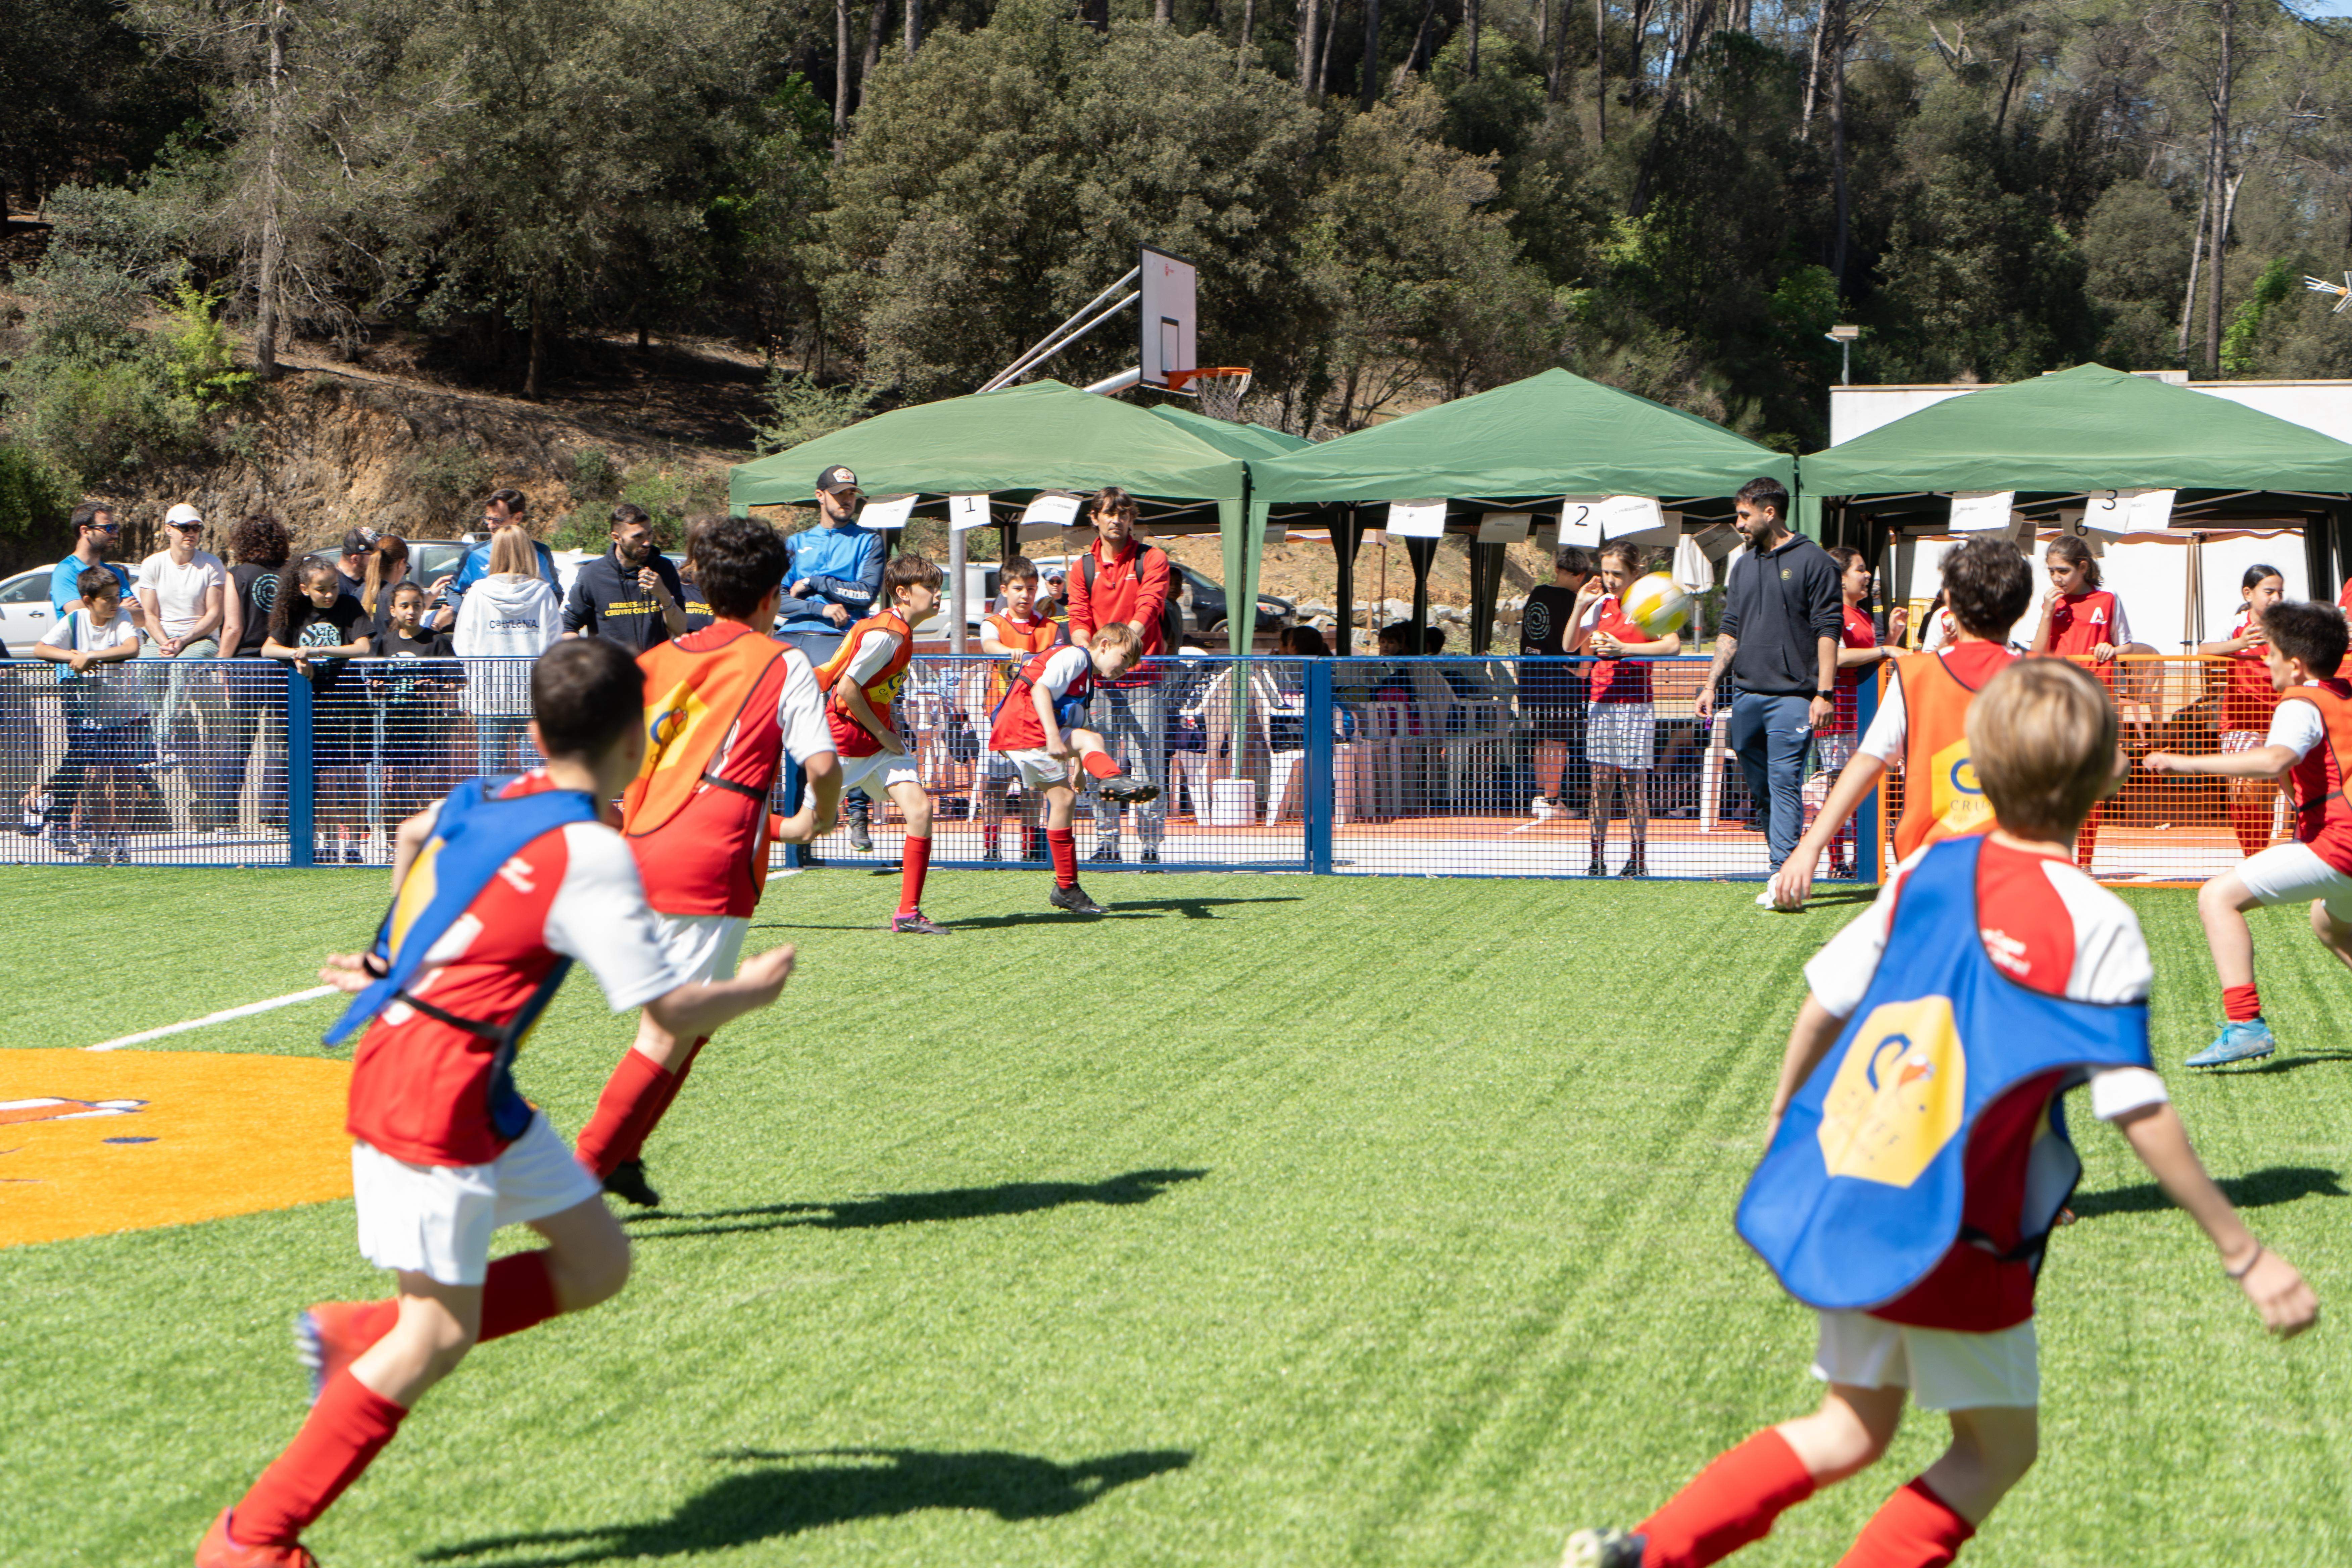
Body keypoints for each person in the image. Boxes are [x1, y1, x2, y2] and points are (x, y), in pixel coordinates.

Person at [1562, 658, 2319, 1568]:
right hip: (1963, 1220)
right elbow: (2135, 1103)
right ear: (2108, 776)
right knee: (1998, 1450)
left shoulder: (1929, 867)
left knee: (1848, 1429)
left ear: (1977, 768)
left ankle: (1647, 1553)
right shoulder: (2095, 920)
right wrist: (2243, 1250)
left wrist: (1780, 1118)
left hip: (1863, 1175)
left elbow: (1824, 1002)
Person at [192, 639, 800, 1568]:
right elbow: (669, 1008)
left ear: (534, 730)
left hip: (473, 1081)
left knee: (598, 1263)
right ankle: (253, 1539)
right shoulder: (590, 852)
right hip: (434, 1089)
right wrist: (752, 992)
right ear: (641, 742)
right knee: (437, 1336)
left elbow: (410, 837)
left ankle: (357, 1330)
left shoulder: (492, 795)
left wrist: (391, 950)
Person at [570, 515, 842, 1209]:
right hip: (709, 854)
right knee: (672, 1022)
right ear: (774, 594)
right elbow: (821, 762)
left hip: (636, 843)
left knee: (693, 1018)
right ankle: (578, 1178)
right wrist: (824, 816)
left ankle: (624, 1153)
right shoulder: (782, 661)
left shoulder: (651, 660)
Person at [1769, 538, 2032, 911]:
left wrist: (1809, 847)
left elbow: (1868, 762)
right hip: (2019, 869)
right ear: (2022, 605)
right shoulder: (2046, 676)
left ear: (1949, 600)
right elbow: (2104, 768)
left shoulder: (1915, 675)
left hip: (1928, 869)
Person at [2145, 599, 2352, 1068]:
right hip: (2343, 843)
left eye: (2271, 653)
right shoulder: (2343, 691)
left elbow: (2276, 759)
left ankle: (2245, 1025)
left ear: (2295, 666)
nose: (2264, 659)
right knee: (2328, 923)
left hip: (2340, 845)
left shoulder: (2300, 701)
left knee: (2217, 897)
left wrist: (2184, 762)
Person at [1696, 478, 1843, 902]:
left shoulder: (1815, 561)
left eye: (1744, 515)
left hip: (1794, 698)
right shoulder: (1742, 565)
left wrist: (1824, 693)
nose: (1737, 523)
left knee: (1783, 782)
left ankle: (1781, 875)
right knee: (1761, 789)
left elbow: (1827, 630)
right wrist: (1711, 686)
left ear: (1769, 512)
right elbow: (1730, 630)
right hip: (1746, 696)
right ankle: (1783, 859)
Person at [816, 553, 952, 933]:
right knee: (804, 828)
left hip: (876, 746)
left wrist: (883, 733)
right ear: (903, 593)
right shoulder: (887, 635)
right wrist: (883, 732)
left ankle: (908, 913)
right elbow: (846, 688)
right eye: (931, 588)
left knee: (920, 810)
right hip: (845, 741)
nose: (938, 595)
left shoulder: (899, 630)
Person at [986, 622, 1156, 915]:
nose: (1125, 668)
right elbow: (1040, 690)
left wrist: (1078, 768)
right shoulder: (1075, 657)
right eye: (1125, 658)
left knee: (1066, 796)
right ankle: (1067, 886)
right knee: (1070, 786)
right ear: (1104, 645)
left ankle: (1067, 888)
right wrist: (1053, 736)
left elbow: (1079, 726)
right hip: (1026, 728)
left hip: (1031, 729)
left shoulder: (1087, 679)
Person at [1067, 487, 1174, 865]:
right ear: (1094, 517)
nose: (1117, 520)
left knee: (1148, 763)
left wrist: (1122, 650)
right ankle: (1107, 841)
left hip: (1145, 680)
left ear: (1132, 519)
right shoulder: (1082, 568)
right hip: (1099, 684)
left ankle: (1150, 846)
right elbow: (1078, 619)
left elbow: (1150, 607)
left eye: (1124, 514)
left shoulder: (1153, 558)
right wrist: (1090, 657)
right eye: (1109, 513)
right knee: (1102, 762)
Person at [28, 503, 139, 852]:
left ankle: (98, 831)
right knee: (83, 759)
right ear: (85, 530)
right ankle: (58, 818)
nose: (114, 533)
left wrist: (120, 611)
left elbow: (134, 614)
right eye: (108, 528)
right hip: (77, 685)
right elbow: (76, 614)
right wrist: (80, 655)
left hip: (118, 694)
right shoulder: (66, 572)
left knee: (115, 768)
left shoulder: (111, 574)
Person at [2030, 534, 2143, 872]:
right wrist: (2048, 613)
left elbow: (2127, 645)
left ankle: (2086, 862)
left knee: (2090, 783)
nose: (2056, 579)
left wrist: (2112, 650)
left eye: (2062, 571)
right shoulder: (2052, 604)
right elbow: (2036, 654)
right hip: (2057, 702)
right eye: (2051, 571)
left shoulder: (2107, 600)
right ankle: (2056, 856)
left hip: (2097, 702)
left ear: (2083, 567)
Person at [1569, 543, 1681, 878]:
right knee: (1600, 782)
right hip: (1601, 702)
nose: (1610, 580)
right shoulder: (1600, 604)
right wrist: (1579, 604)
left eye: (1618, 573)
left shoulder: (1648, 606)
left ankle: (1638, 858)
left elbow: (1673, 644)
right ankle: (1596, 857)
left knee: (1633, 783)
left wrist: (1625, 649)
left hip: (1635, 705)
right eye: (1606, 573)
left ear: (1636, 573)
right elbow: (1569, 645)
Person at [264, 558, 374, 864]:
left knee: (352, 775)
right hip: (311, 705)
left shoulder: (349, 606)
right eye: (321, 589)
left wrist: (320, 651)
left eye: (334, 587)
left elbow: (363, 647)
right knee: (321, 777)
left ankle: (352, 845)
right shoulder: (293, 611)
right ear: (304, 589)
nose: (329, 595)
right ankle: (325, 843)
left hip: (348, 703)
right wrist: (297, 656)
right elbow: (269, 649)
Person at [1813, 546, 1907, 880]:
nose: (1867, 576)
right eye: (1860, 570)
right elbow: (1835, 658)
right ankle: (1839, 862)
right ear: (1839, 579)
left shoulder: (1862, 614)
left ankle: (1864, 860)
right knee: (1841, 787)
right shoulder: (1833, 613)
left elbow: (1868, 656)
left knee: (1867, 786)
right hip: (1839, 713)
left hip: (1864, 712)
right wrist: (1886, 647)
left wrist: (1891, 636)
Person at [2195, 564, 2288, 862]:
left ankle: (2279, 855)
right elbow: (2203, 651)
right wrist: (2240, 644)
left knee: (2274, 788)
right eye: (2269, 591)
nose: (2275, 598)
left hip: (2283, 719)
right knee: (2245, 789)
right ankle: (2253, 857)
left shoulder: (2290, 625)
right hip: (2239, 722)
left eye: (2280, 592)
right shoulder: (2234, 624)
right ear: (2248, 594)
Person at [454, 527, 563, 779]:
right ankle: (537, 818)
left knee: (490, 770)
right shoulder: (544, 592)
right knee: (536, 770)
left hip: (489, 694)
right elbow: (555, 645)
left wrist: (477, 682)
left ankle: (488, 817)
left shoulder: (478, 592)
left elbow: (463, 644)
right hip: (533, 696)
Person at [978, 555, 1065, 862]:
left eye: (1031, 588)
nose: (1025, 595)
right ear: (1005, 590)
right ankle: (992, 849)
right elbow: (989, 645)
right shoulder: (994, 623)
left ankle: (1030, 848)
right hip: (999, 717)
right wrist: (1012, 654)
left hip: (1035, 719)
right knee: (996, 785)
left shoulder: (1051, 628)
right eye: (1018, 588)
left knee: (1033, 786)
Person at [136, 502, 229, 782]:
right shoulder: (153, 564)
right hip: (162, 637)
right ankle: (161, 741)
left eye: (196, 528)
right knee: (146, 666)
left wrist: (184, 640)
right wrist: (165, 642)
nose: (191, 533)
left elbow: (215, 615)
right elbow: (149, 615)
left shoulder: (212, 564)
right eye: (184, 528)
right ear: (169, 530)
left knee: (182, 667)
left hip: (200, 639)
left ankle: (160, 739)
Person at [367, 583, 460, 826]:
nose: (411, 612)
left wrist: (436, 690)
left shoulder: (437, 642)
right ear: (393, 610)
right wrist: (377, 688)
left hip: (430, 728)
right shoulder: (384, 643)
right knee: (393, 787)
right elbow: (375, 683)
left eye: (417, 606)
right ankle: (395, 843)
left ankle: (433, 841)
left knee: (427, 789)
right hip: (396, 725)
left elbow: (459, 683)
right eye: (404, 606)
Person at [1521, 546, 1599, 819]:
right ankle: (1552, 801)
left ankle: (1542, 796)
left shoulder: (1537, 594)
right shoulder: (1575, 601)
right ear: (1583, 575)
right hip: (1560, 678)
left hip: (1531, 676)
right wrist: (1584, 670)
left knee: (1542, 738)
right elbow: (1586, 635)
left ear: (1557, 568)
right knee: (1558, 741)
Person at [563, 502, 686, 652]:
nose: (647, 543)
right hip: (613, 673)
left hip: (657, 671)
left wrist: (663, 594)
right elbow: (569, 627)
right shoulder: (592, 575)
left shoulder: (664, 569)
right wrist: (588, 663)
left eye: (649, 534)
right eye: (638, 537)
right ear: (617, 538)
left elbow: (681, 629)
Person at [429, 490, 558, 631]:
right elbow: (454, 590)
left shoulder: (540, 553)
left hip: (527, 635)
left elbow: (555, 593)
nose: (490, 525)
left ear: (518, 518)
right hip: (487, 635)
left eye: (497, 520)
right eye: (488, 519)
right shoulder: (475, 554)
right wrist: (468, 617)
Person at [358, 534, 413, 641]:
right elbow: (408, 640)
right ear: (401, 563)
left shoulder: (358, 592)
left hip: (360, 657)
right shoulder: (396, 596)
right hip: (388, 657)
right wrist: (437, 624)